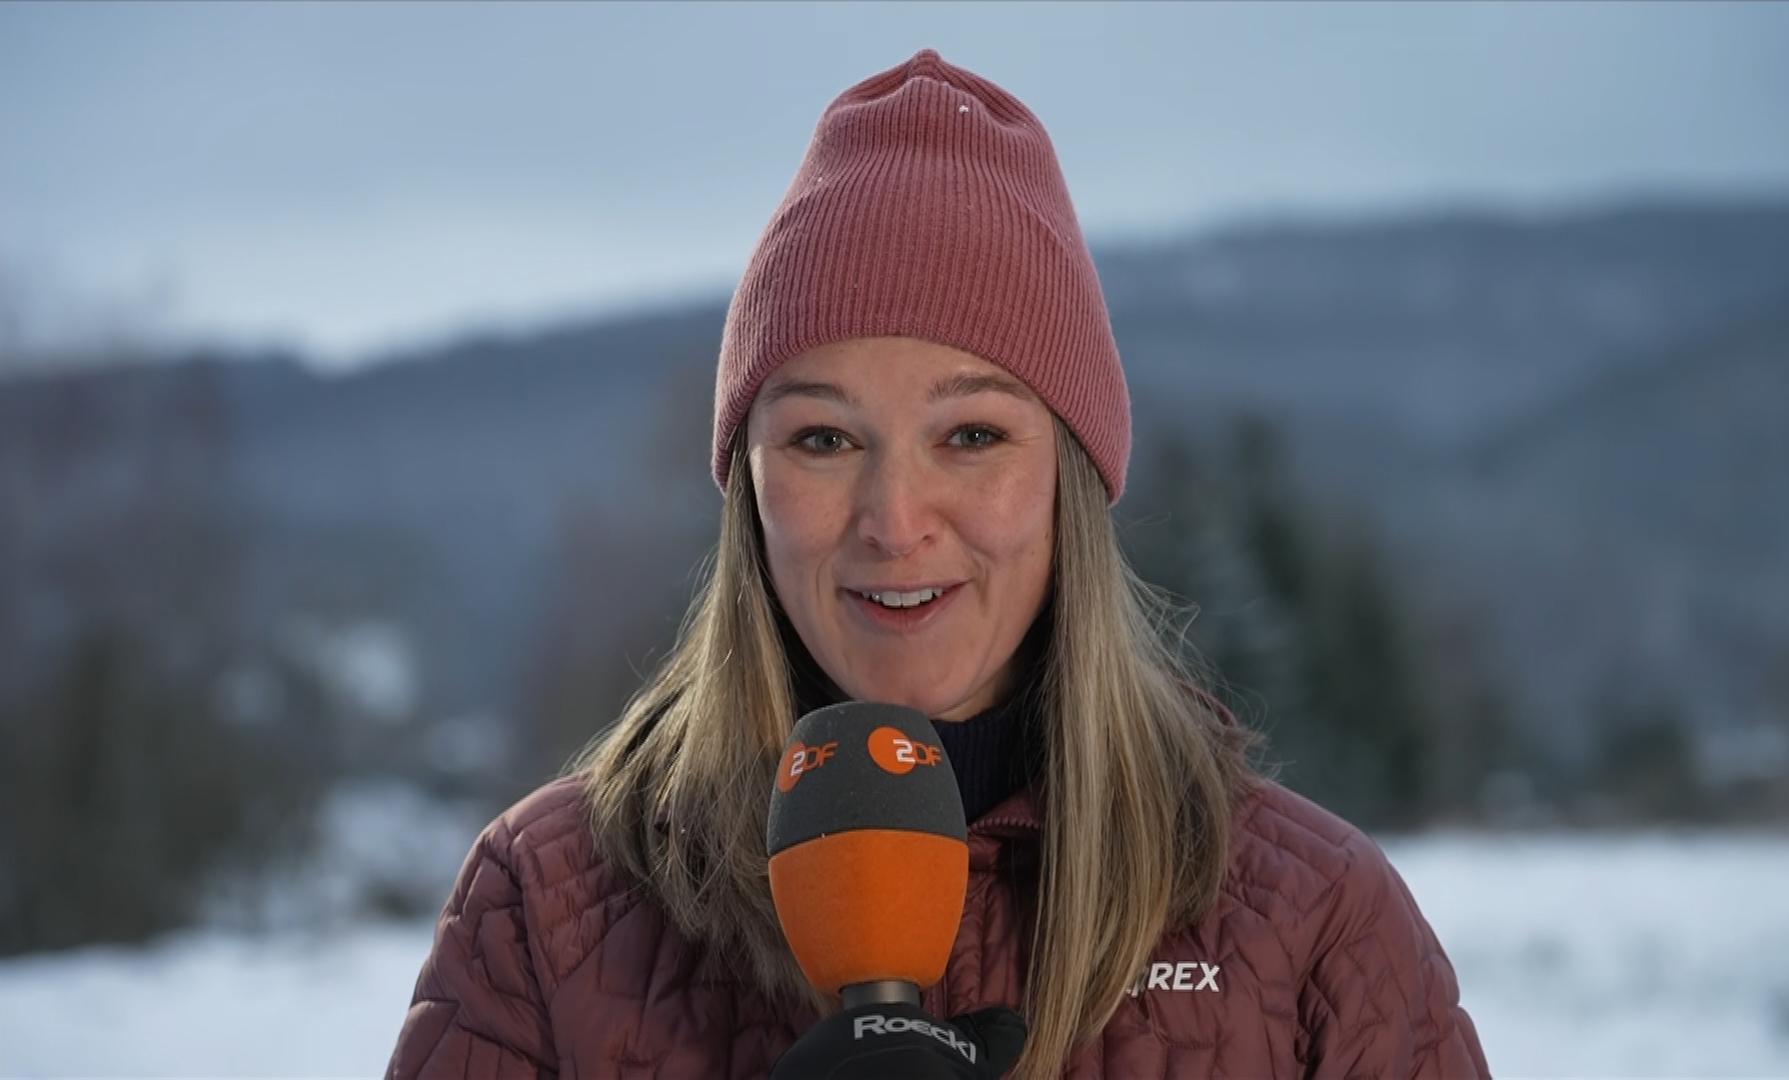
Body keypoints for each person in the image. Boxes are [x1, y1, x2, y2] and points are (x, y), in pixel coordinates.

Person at [387, 49, 1489, 1080]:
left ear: (1070, 476)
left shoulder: (1311, 924)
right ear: (748, 485)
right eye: (824, 439)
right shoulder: (547, 908)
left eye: (971, 436)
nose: (895, 519)